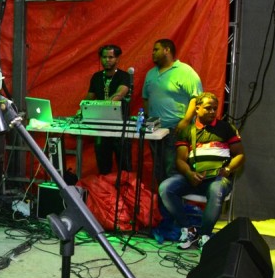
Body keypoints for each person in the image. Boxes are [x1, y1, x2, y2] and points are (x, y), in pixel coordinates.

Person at [158, 92, 244, 250]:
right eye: (208, 108)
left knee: (216, 189)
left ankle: (205, 235)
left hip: (217, 178)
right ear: (197, 109)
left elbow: (240, 155)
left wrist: (228, 168)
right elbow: (180, 160)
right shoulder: (187, 131)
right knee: (165, 187)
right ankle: (188, 229)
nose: (212, 111)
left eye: (215, 108)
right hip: (193, 178)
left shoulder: (226, 128)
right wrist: (189, 174)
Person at [141, 38, 203, 185]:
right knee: (158, 169)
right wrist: (148, 119)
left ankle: (173, 197)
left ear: (167, 50)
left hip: (175, 129)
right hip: (154, 129)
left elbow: (196, 98)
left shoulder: (185, 71)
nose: (152, 53)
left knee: (172, 168)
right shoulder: (150, 74)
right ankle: (162, 198)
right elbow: (146, 98)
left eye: (156, 49)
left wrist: (185, 121)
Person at [85, 44, 132, 174]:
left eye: (111, 57)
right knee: (103, 166)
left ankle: (124, 187)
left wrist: (100, 106)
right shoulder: (96, 77)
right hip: (101, 126)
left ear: (117, 59)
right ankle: (105, 187)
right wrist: (83, 108)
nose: (107, 60)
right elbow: (89, 98)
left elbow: (120, 94)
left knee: (124, 167)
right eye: (104, 57)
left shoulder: (124, 76)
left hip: (121, 126)